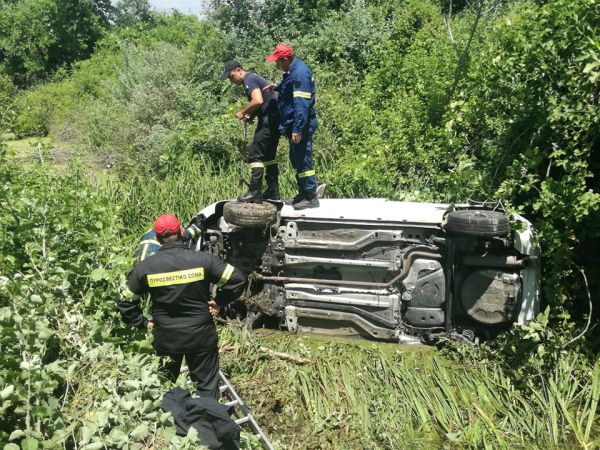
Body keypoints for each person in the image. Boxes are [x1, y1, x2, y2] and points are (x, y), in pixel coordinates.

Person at [118, 213, 247, 399]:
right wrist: (219, 300)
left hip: (166, 338)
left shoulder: (145, 267)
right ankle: (208, 424)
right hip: (200, 336)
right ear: (181, 232)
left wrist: (142, 322)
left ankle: (169, 423)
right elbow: (237, 279)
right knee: (206, 389)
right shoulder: (203, 260)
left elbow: (125, 300)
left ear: (156, 238)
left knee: (164, 389)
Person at [265, 44, 319, 210]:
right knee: (297, 159)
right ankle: (303, 193)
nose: (276, 65)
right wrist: (278, 87)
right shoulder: (292, 72)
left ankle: (311, 196)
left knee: (303, 160)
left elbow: (301, 104)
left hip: (300, 126)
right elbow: (290, 89)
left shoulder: (300, 74)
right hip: (293, 125)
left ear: (286, 59)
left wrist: (297, 128)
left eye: (278, 62)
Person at [221, 60, 281, 202]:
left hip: (269, 120)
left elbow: (258, 100)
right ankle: (273, 191)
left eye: (231, 76)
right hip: (275, 120)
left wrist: (242, 112)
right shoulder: (253, 79)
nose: (231, 81)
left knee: (255, 155)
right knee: (269, 156)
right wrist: (252, 115)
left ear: (238, 70)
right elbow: (263, 102)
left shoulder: (250, 79)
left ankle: (254, 192)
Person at [133, 223, 202, 262]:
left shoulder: (167, 233)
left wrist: (196, 228)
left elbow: (185, 234)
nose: (183, 230)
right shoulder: (150, 250)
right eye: (181, 229)